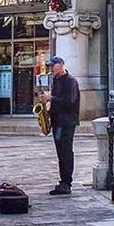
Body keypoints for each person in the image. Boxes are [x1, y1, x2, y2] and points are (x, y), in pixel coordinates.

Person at [40, 55, 80, 195]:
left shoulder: (71, 81)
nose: (51, 68)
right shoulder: (56, 80)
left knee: (66, 152)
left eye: (53, 66)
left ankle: (66, 183)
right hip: (58, 122)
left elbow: (69, 102)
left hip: (67, 122)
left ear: (61, 65)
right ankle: (63, 181)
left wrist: (52, 98)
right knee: (60, 152)